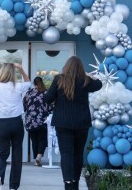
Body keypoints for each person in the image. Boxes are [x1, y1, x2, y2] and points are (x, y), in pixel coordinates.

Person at [44, 56, 102, 190]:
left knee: (66, 154)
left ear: (66, 66)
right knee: (77, 153)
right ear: (80, 68)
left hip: (63, 123)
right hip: (81, 123)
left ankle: (68, 183)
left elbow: (47, 99)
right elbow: (99, 84)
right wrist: (89, 75)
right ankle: (75, 183)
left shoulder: (59, 79)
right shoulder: (85, 80)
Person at [0, 62, 31, 190]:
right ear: (12, 74)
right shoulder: (17, 86)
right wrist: (22, 70)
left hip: (2, 124)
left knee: (1, 153)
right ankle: (13, 187)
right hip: (16, 123)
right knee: (17, 155)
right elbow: (29, 83)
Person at [23, 76, 50, 167]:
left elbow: (24, 105)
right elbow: (50, 107)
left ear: (34, 84)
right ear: (42, 82)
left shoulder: (29, 93)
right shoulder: (46, 93)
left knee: (34, 140)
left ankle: (35, 160)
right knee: (42, 139)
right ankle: (39, 156)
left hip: (30, 121)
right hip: (42, 120)